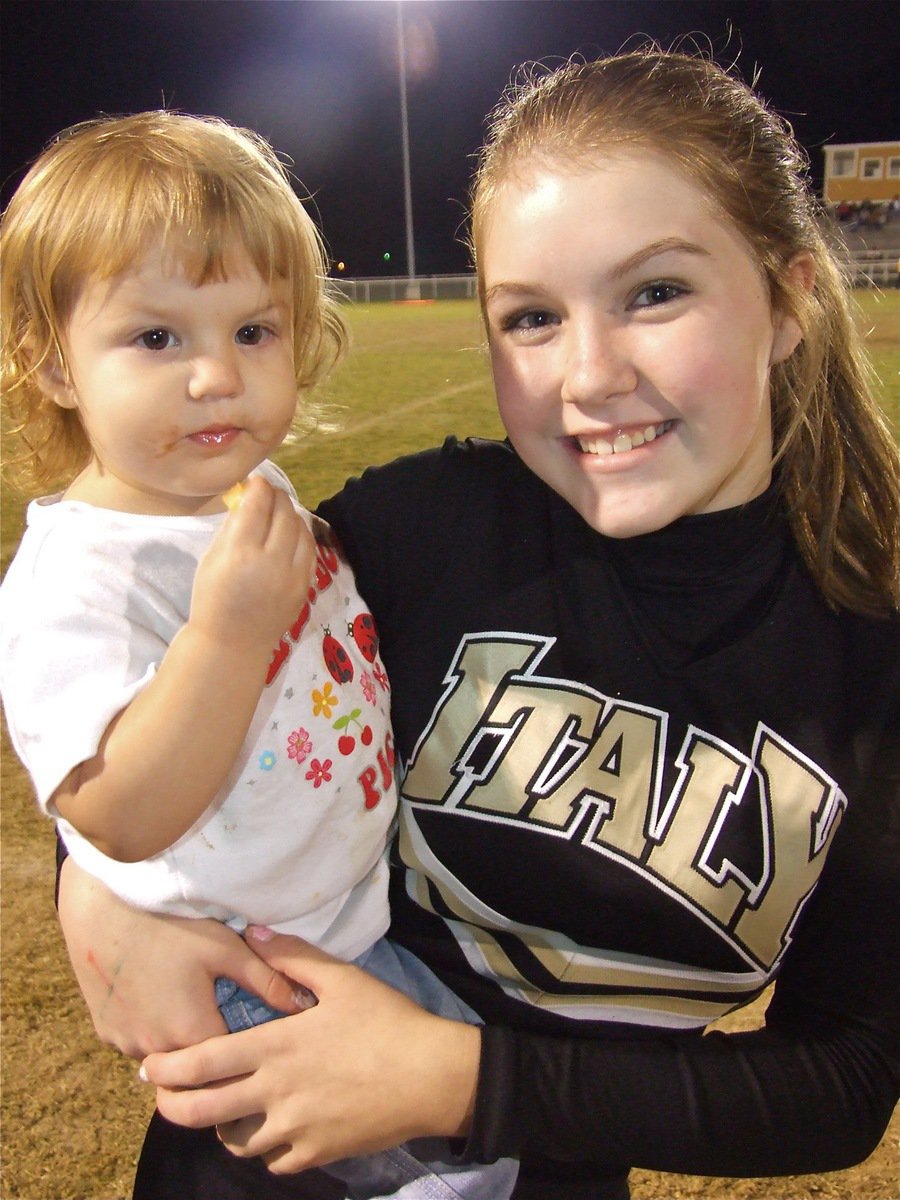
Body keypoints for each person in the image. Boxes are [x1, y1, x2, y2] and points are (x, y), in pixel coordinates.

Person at [55, 48, 899, 1200]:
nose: (589, 376)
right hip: (244, 1161)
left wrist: (462, 1079)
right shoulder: (420, 529)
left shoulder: (873, 657)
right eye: (532, 318)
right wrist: (94, 895)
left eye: (655, 292)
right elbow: (150, 710)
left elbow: (842, 1083)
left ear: (791, 299)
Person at [0, 111, 517, 1200]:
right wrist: (231, 633)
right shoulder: (81, 574)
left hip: (349, 924)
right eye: (156, 338)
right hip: (245, 970)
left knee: (501, 1129)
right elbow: (116, 811)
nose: (215, 378)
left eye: (253, 331)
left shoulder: (250, 492)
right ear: (50, 362)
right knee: (463, 1182)